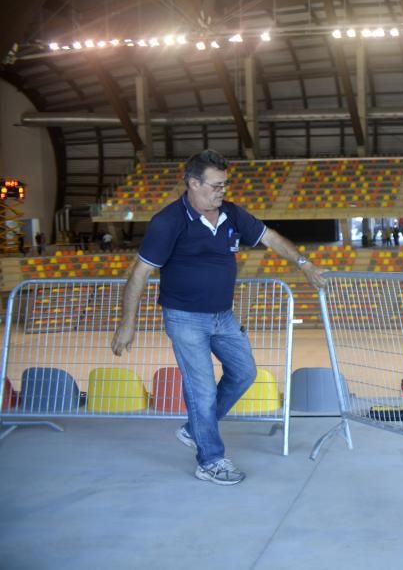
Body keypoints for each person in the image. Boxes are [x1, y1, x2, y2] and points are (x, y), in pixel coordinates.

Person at [110, 150, 327, 486]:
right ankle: (210, 460)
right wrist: (128, 322)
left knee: (244, 372)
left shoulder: (231, 214)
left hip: (222, 317)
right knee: (201, 391)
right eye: (215, 185)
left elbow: (269, 237)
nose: (221, 191)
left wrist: (304, 264)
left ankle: (195, 428)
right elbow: (139, 273)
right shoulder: (168, 222)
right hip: (185, 319)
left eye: (224, 185)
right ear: (193, 184)